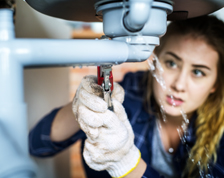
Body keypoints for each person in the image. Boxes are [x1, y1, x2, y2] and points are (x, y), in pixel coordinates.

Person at [29, 15, 224, 178]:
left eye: (198, 72)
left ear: (215, 83)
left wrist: (128, 164)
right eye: (172, 63)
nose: (179, 85)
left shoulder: (221, 129)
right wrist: (80, 108)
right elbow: (37, 145)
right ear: (155, 58)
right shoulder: (130, 93)